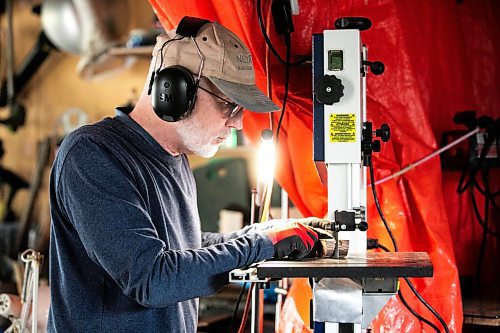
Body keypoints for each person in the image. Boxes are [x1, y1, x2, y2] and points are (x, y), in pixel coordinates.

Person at [47, 17, 330, 332]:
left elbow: (184, 247)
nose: (237, 123)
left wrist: (270, 233)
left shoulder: (176, 159)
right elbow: (153, 279)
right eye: (229, 106)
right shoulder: (92, 154)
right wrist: (259, 245)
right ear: (174, 91)